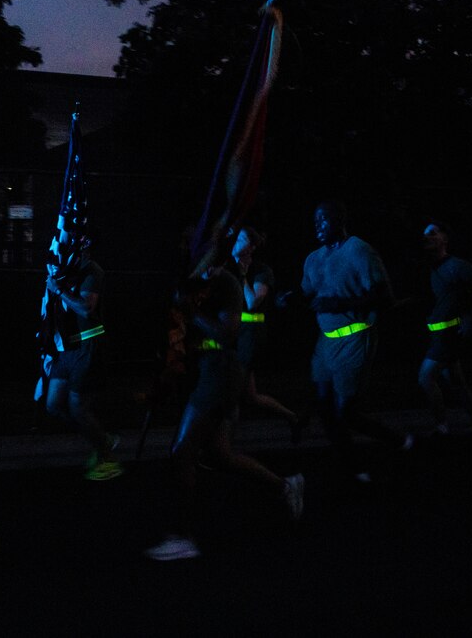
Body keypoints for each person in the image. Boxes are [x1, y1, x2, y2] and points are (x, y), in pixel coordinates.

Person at [145, 241, 305, 562]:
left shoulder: (225, 282)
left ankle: (185, 537)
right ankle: (286, 486)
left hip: (220, 372)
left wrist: (193, 314)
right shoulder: (195, 282)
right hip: (206, 371)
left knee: (183, 451)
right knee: (219, 455)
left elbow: (227, 333)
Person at [281, 200, 413, 484]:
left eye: (324, 220)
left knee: (347, 412)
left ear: (340, 221)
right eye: (315, 221)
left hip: (355, 336)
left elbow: (384, 298)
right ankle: (353, 467)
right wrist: (290, 297)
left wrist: (338, 302)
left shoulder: (358, 250)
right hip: (325, 341)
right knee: (325, 406)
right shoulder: (314, 258)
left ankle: (399, 441)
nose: (318, 226)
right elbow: (307, 292)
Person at [41, 225, 123, 480]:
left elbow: (86, 309)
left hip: (87, 346)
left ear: (86, 246)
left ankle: (108, 457)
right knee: (53, 404)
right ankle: (101, 438)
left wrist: (60, 291)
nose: (70, 245)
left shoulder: (92, 272)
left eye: (76, 242)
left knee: (78, 408)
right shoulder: (67, 272)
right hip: (67, 349)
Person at [228, 226, 303, 440]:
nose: (236, 241)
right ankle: (293, 417)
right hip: (235, 334)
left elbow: (252, 303)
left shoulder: (261, 270)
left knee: (232, 393)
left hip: (251, 335)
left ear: (251, 246)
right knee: (250, 396)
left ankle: (224, 445)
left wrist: (243, 276)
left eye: (241, 238)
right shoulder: (229, 267)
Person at [417, 219, 472, 435]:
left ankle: (441, 425)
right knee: (456, 380)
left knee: (425, 377)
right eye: (425, 234)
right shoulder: (431, 268)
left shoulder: (459, 267)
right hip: (439, 334)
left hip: (449, 334)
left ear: (445, 238)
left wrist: (470, 317)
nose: (427, 237)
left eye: (433, 233)